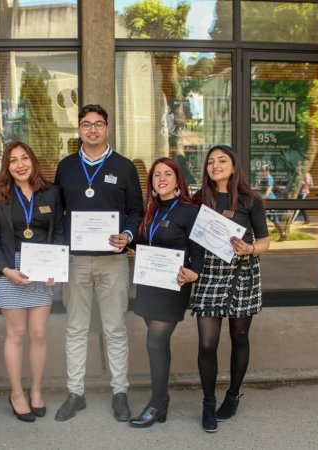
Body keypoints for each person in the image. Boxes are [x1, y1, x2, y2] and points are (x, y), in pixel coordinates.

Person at [54, 104, 144, 422]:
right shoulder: (65, 167)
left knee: (115, 329)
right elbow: (57, 215)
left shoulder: (124, 167)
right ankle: (75, 393)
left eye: (98, 124)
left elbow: (136, 210)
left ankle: (119, 392)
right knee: (76, 329)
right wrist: (58, 253)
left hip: (113, 262)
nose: (92, 129)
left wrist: (128, 234)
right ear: (79, 129)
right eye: (86, 124)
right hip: (76, 262)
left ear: (107, 129)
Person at [191, 145, 271, 433]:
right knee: (207, 342)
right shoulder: (198, 199)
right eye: (210, 161)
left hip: (242, 273)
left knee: (239, 337)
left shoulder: (251, 201)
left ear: (234, 166)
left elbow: (265, 241)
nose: (215, 165)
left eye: (222, 160)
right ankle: (209, 402)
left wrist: (250, 248)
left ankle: (233, 395)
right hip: (209, 274)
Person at [0, 141, 65, 422]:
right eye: (13, 160)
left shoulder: (51, 193)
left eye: (24, 159)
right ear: (6, 167)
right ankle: (17, 393)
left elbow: (58, 231)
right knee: (16, 335)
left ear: (32, 161)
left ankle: (36, 390)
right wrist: (6, 270)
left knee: (39, 334)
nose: (20, 165)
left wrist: (56, 264)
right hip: (11, 269)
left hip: (42, 268)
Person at [129, 157, 204, 428]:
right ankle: (163, 401)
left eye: (167, 174)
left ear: (177, 180)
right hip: (149, 284)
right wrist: (125, 240)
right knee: (159, 345)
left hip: (174, 285)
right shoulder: (151, 208)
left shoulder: (189, 210)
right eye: (156, 174)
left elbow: (199, 251)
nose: (161, 178)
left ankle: (157, 403)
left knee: (154, 342)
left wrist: (195, 272)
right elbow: (144, 243)